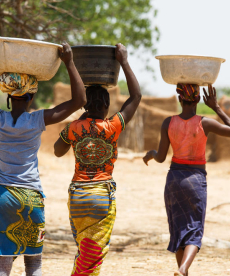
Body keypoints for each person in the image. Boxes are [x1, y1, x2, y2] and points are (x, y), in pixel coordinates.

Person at [0, 36, 86, 276]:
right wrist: (69, 63)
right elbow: (79, 100)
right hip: (32, 197)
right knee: (34, 264)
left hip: (4, 197)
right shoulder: (38, 120)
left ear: (9, 96)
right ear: (31, 96)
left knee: (3, 265)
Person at [54, 43, 141, 276]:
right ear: (106, 105)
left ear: (84, 105)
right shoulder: (113, 126)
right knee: (93, 256)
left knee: (85, 251)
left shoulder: (72, 128)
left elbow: (57, 150)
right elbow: (136, 96)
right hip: (102, 196)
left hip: (78, 196)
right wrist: (123, 61)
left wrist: (81, 118)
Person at [143, 84, 230, 276]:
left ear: (180, 99)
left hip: (174, 180)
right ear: (198, 100)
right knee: (194, 229)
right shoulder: (205, 122)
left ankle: (182, 272)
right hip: (195, 181)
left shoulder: (168, 123)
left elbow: (161, 157)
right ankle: (183, 269)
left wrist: (151, 154)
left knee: (179, 229)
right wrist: (216, 107)